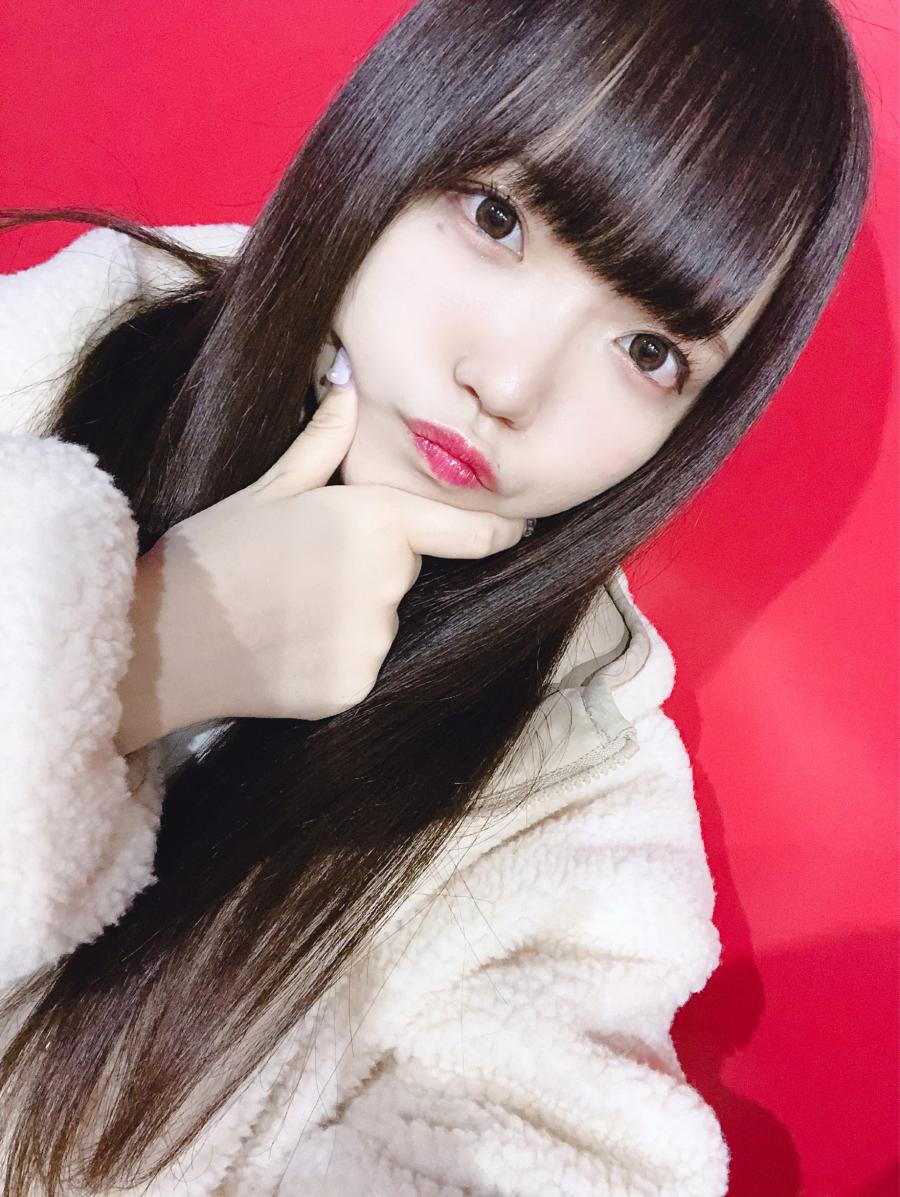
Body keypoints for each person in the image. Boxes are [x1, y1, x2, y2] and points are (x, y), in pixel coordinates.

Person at [0, 0, 872, 1193]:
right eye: (498, 219)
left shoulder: (571, 798)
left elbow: (566, 1146)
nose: (508, 383)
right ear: (402, 133)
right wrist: (149, 653)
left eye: (650, 353)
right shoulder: (70, 341)